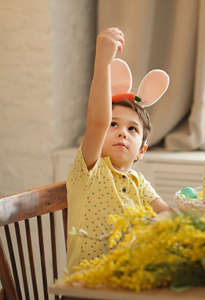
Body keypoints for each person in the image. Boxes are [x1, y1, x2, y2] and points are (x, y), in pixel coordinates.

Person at [66, 27, 171, 273]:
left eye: (133, 129)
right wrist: (102, 62)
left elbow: (166, 214)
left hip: (126, 282)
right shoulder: (90, 169)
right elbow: (97, 121)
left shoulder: (138, 182)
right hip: (86, 288)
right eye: (114, 124)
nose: (122, 132)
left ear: (141, 151)